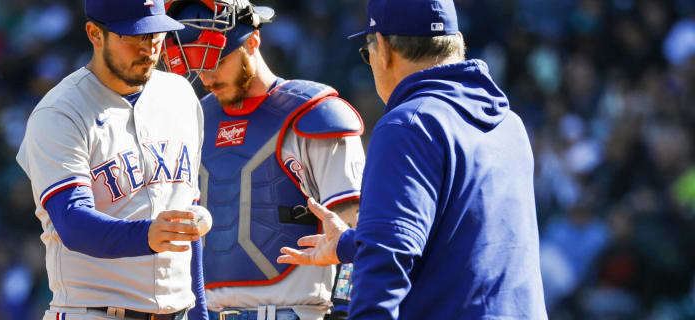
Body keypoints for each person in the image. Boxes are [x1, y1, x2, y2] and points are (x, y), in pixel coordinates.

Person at [277, 0, 548, 319]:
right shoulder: (509, 124)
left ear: (383, 48)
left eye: (367, 54)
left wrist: (371, 249)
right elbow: (462, 239)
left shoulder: (408, 125)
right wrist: (352, 244)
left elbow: (385, 262)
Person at [162, 1, 367, 319]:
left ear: (253, 42)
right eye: (196, 65)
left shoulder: (314, 113)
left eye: (217, 59)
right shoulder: (193, 119)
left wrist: (345, 307)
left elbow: (357, 225)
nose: (208, 77)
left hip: (293, 311)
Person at [16, 0, 209, 319]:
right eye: (133, 36)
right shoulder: (61, 112)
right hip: (94, 310)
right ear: (94, 33)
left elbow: (188, 223)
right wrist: (146, 235)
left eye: (156, 35)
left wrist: (200, 311)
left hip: (179, 311)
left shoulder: (181, 97)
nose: (148, 48)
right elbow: (73, 222)